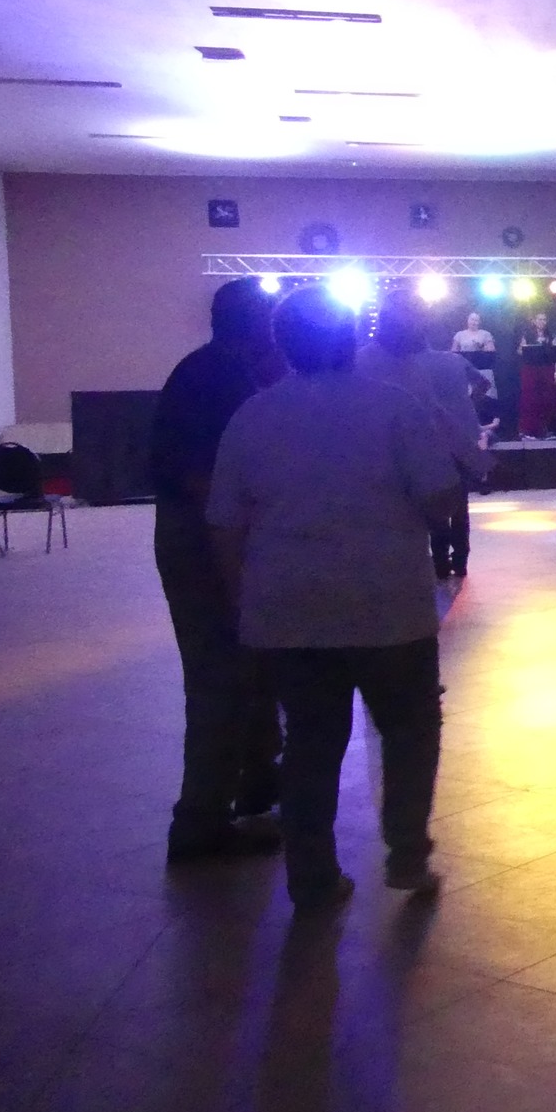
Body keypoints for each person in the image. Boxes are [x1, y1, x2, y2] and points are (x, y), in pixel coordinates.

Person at [207, 286, 463, 912]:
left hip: (290, 608)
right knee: (409, 730)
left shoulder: (252, 416)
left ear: (281, 345)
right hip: (389, 606)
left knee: (310, 743)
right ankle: (406, 855)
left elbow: (225, 523)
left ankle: (313, 877)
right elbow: (440, 501)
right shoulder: (395, 406)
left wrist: (244, 603)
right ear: (352, 337)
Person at [151, 277, 287, 863]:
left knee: (247, 666)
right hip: (205, 538)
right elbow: (203, 478)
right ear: (256, 325)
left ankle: (256, 781)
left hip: (200, 532)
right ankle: (200, 821)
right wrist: (239, 546)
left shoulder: (211, 370)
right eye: (270, 319)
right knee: (219, 677)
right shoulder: (218, 379)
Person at [359, 292, 493, 579]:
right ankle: (459, 560)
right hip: (458, 437)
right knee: (458, 504)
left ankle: (440, 562)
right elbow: (481, 386)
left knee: (434, 504)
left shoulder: (399, 364)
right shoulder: (453, 361)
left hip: (423, 445)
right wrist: (470, 407)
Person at [516, 311, 556, 439]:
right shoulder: (527, 334)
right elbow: (520, 352)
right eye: (539, 319)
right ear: (535, 321)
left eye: (544, 319)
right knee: (529, 399)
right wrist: (525, 347)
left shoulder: (552, 336)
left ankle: (547, 429)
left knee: (547, 399)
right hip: (530, 370)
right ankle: (527, 430)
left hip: (547, 370)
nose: (542, 322)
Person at [452, 310, 496, 399]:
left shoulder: (485, 334)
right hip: (465, 369)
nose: (474, 322)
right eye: (472, 319)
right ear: (467, 320)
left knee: (483, 396)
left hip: (482, 369)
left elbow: (491, 350)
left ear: (479, 322)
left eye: (476, 320)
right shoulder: (459, 334)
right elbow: (454, 351)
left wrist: (481, 347)